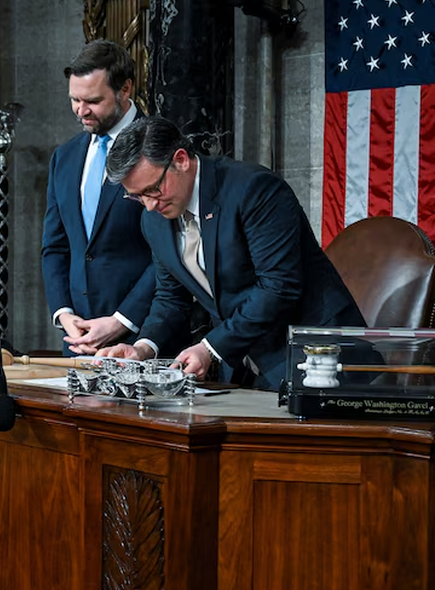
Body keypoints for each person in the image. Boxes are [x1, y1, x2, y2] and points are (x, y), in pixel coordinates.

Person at [97, 116, 366, 389]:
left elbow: (279, 287)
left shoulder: (254, 189)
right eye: (137, 196)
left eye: (153, 189)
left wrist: (210, 347)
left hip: (320, 358)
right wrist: (143, 349)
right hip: (248, 368)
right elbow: (170, 298)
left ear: (181, 160)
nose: (150, 205)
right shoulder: (153, 221)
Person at [42, 40, 154, 356]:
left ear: (125, 89)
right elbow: (55, 246)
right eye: (74, 100)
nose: (81, 110)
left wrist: (122, 320)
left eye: (92, 100)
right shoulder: (64, 157)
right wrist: (64, 313)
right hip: (77, 340)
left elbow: (172, 253)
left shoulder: (159, 146)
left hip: (143, 336)